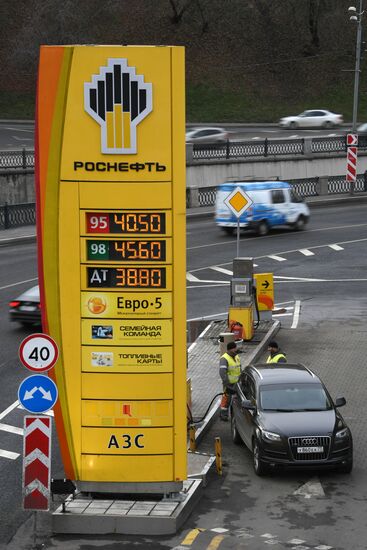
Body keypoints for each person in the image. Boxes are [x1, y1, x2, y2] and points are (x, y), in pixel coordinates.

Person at [219, 341, 241, 420]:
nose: (236, 349)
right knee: (226, 399)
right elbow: (222, 372)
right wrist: (227, 384)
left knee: (237, 399)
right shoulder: (224, 358)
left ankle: (235, 415)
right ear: (230, 349)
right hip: (229, 384)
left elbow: (239, 368)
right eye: (234, 348)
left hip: (237, 383)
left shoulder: (236, 357)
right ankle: (223, 415)